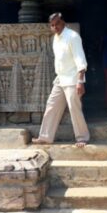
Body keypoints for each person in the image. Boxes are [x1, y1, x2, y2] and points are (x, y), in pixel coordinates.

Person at [32, 12, 90, 147]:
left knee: (74, 108)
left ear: (63, 22)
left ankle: (82, 137)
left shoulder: (73, 37)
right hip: (60, 79)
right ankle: (45, 137)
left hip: (73, 79)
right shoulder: (55, 38)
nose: (55, 27)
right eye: (52, 25)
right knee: (51, 106)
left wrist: (80, 82)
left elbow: (80, 60)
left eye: (57, 24)